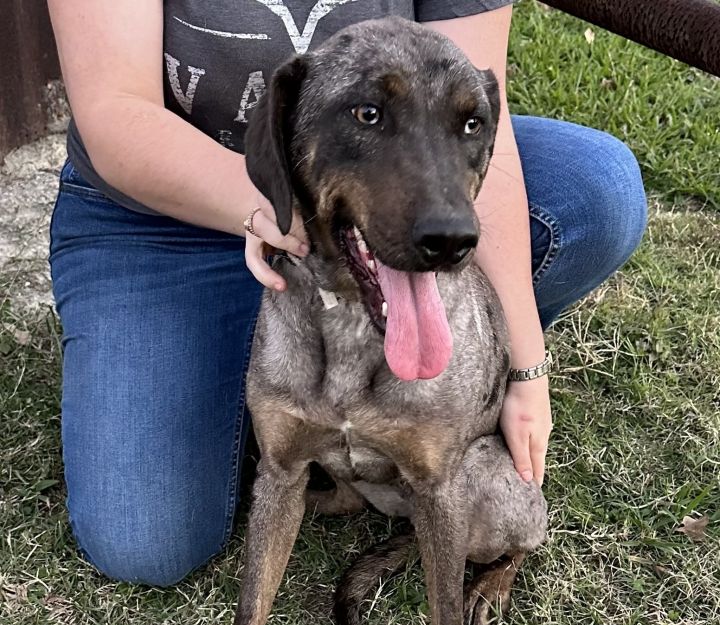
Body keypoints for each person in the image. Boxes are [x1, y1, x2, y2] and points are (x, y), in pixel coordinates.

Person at [47, 0, 647, 587]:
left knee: (598, 191)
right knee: (146, 536)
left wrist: (522, 359)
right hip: (162, 213)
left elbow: (479, 106)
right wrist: (275, 209)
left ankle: (397, 371)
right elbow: (114, 110)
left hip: (391, 173)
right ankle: (277, 391)